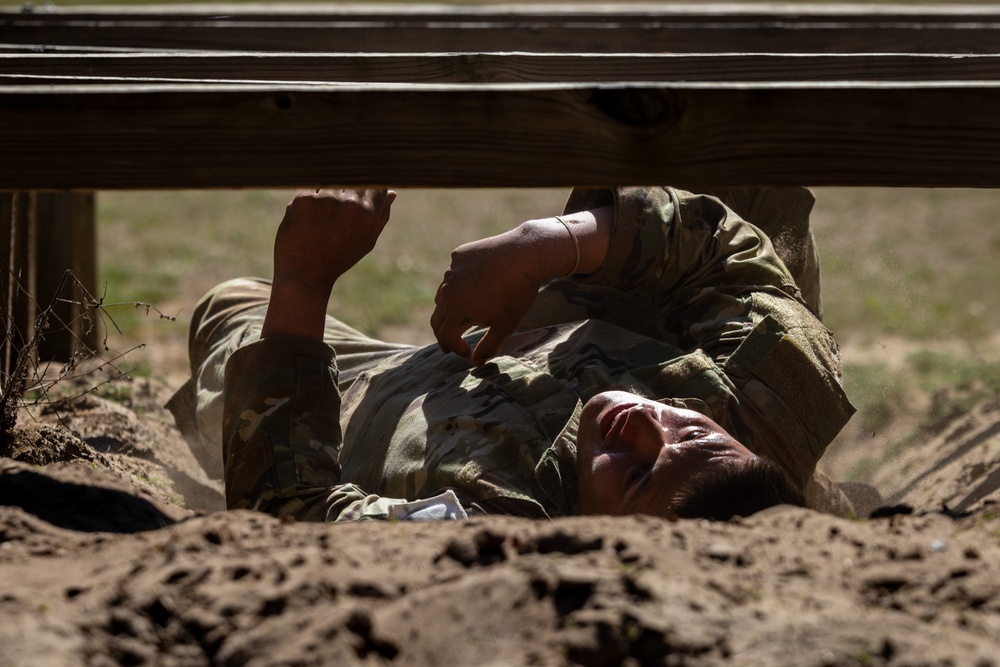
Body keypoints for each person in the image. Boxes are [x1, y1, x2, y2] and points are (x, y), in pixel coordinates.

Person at [167, 186, 855, 523]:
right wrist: (549, 242)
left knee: (231, 307)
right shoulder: (766, 409)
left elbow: (295, 509)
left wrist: (304, 283)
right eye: (690, 432)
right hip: (567, 328)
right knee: (714, 142)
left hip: (370, 397)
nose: (643, 426)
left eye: (638, 477)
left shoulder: (489, 526)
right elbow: (732, 252)